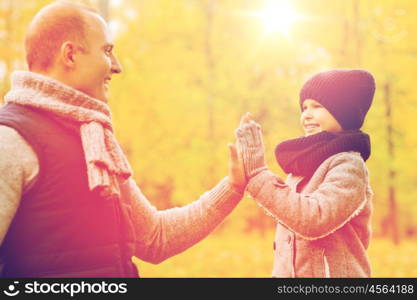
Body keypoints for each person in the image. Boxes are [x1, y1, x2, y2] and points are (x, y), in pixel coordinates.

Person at [0, 1, 246, 277]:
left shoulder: (97, 140)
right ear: (70, 55)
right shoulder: (10, 139)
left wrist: (233, 187)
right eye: (107, 51)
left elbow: (156, 238)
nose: (116, 67)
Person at [235, 69, 376, 277]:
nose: (306, 115)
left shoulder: (349, 166)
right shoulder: (302, 166)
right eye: (304, 107)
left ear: (344, 113)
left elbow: (314, 219)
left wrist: (258, 175)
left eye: (317, 106)